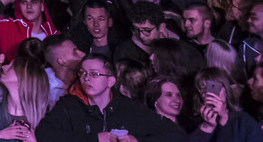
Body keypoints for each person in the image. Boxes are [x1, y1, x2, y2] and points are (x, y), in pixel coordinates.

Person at [34, 56, 180, 142]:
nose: (86, 78)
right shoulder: (69, 105)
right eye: (83, 73)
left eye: (94, 74)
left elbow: (175, 134)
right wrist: (94, 139)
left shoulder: (129, 107)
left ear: (111, 81)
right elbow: (44, 134)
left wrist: (136, 140)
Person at [191, 67, 263, 142]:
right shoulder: (196, 124)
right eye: (202, 89)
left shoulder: (243, 121)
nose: (207, 94)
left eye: (212, 87)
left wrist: (224, 118)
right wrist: (207, 127)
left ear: (225, 90)